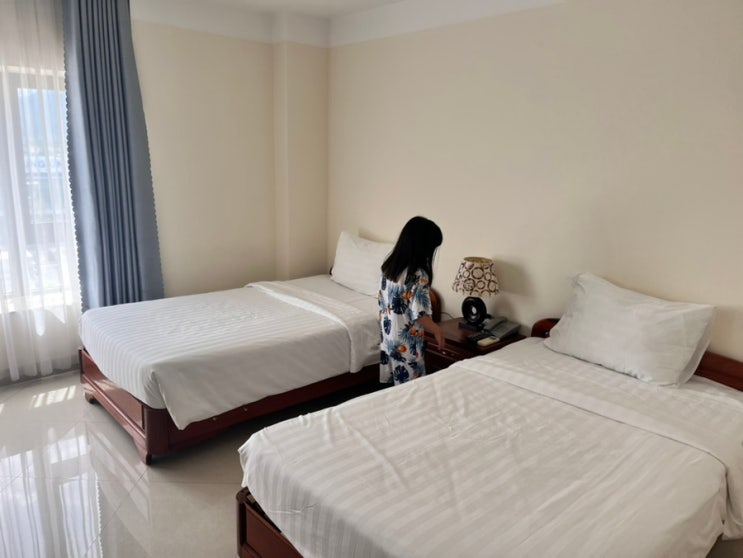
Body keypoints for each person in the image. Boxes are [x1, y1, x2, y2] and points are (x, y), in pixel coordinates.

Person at [378, 216, 444, 385]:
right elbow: (419, 315)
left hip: (389, 337)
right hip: (407, 343)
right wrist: (437, 330)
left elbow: (382, 303)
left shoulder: (389, 268)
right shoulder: (418, 275)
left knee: (393, 388)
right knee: (411, 389)